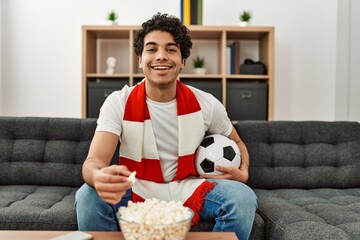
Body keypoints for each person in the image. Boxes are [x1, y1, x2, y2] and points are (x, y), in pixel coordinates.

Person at [75, 12, 257, 239]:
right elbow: (93, 161)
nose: (161, 56)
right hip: (136, 186)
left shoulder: (207, 104)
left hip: (189, 186)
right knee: (87, 195)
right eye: (151, 49)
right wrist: (98, 176)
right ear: (140, 60)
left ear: (182, 61)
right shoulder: (118, 102)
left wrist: (244, 172)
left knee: (243, 197)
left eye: (171, 49)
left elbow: (237, 142)